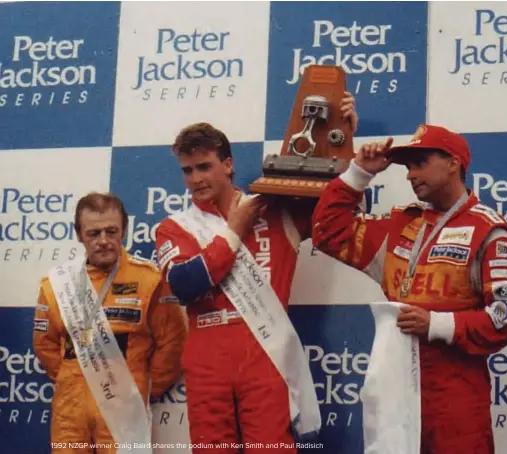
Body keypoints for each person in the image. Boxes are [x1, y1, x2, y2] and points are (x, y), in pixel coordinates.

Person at [153, 94, 358, 453]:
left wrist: (341, 136)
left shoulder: (274, 211)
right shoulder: (175, 227)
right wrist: (233, 231)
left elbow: (339, 207)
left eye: (204, 166)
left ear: (228, 164)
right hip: (207, 363)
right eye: (188, 171)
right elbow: (185, 286)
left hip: (266, 357)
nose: (196, 179)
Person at [311, 124, 507, 454]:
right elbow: (329, 234)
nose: (411, 175)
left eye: (421, 163)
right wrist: (358, 174)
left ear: (453, 163)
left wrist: (437, 325)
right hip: (396, 393)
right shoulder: (399, 224)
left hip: (455, 399)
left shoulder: (488, 229)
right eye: (408, 167)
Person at [33, 192, 187, 454]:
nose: (103, 241)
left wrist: (143, 389)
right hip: (70, 408)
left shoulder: (150, 280)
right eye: (94, 233)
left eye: (111, 231)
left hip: (126, 406)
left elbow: (173, 343)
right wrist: (74, 380)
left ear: (124, 231)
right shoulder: (57, 285)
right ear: (79, 234)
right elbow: (44, 344)